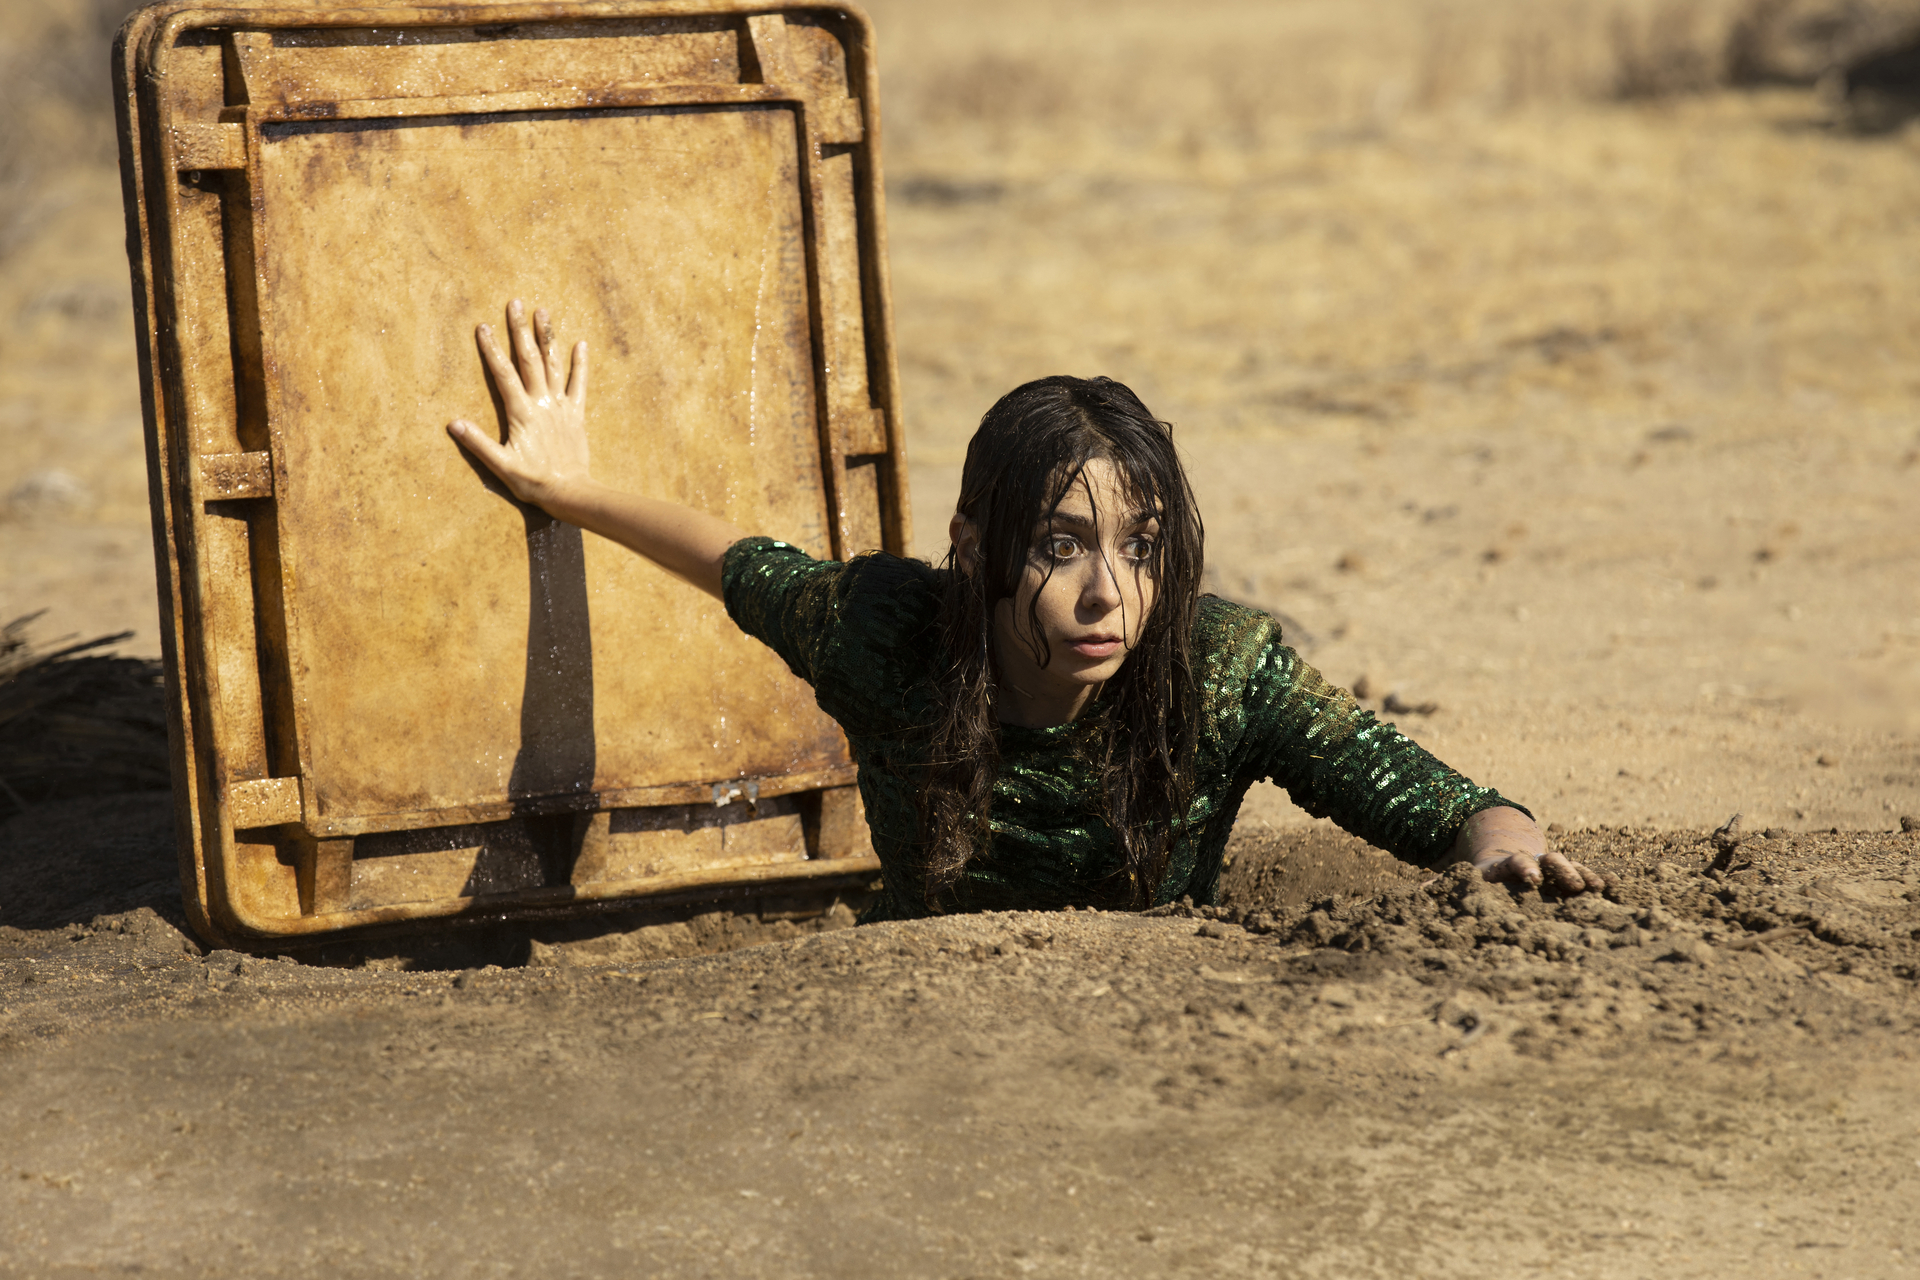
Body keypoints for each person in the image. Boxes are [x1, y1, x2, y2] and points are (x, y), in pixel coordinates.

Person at [449, 300, 1606, 920]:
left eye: (1141, 549)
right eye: (1060, 545)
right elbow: (735, 562)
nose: (1108, 591)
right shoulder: (887, 633)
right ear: (975, 548)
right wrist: (564, 486)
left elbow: (1421, 791)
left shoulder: (1223, 666)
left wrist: (1507, 842)